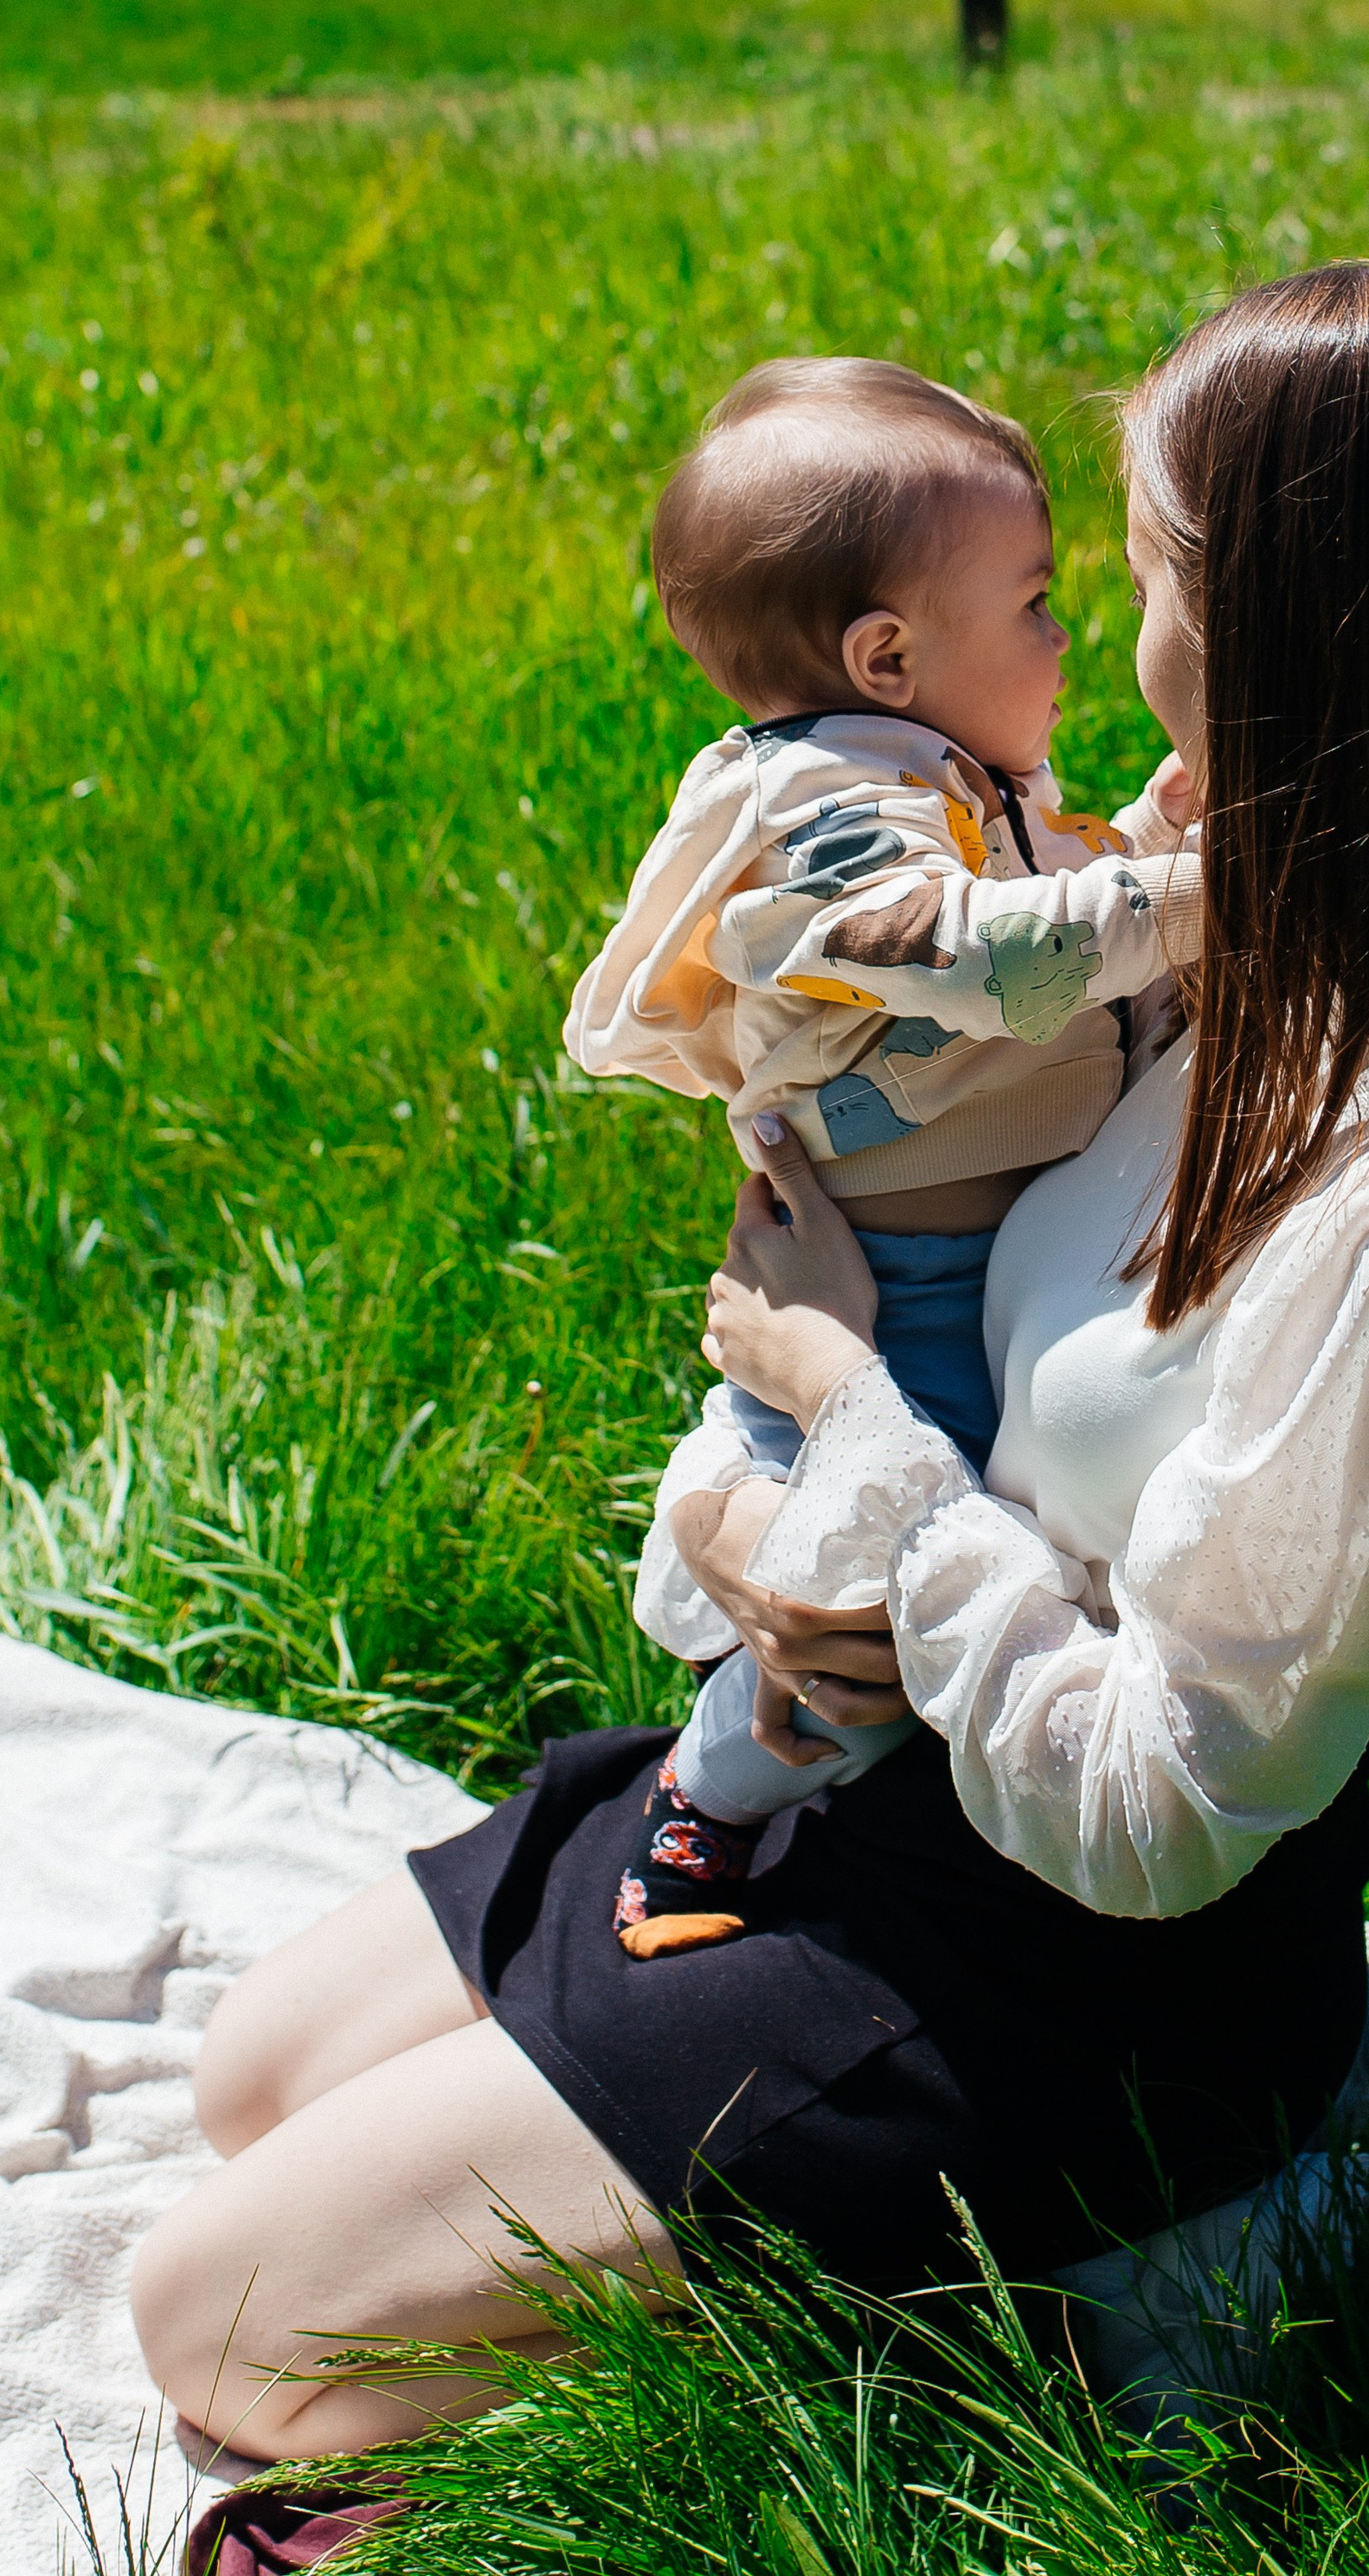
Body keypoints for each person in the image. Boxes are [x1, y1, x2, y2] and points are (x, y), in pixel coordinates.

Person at [130, 262, 1369, 2468]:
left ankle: (1145, 2276)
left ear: (1269, 630)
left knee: (226, 2332)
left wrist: (858, 1435)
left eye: (1128, 581)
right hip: (888, 1746)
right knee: (248, 2081)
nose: (1102, 643)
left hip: (1077, 1959)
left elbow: (1158, 1811)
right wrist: (773, 1526)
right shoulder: (1183, 928)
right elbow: (904, 1150)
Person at [562, 356, 1191, 1953]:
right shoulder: (829, 812)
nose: (1066, 639)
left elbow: (1052, 930)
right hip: (903, 1296)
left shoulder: (931, 773)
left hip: (940, 1279)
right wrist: (1204, 893)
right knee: (846, 1636)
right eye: (1040, 601)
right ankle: (700, 1815)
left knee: (907, 1593)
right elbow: (985, 963)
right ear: (888, 655)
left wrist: (1156, 840)